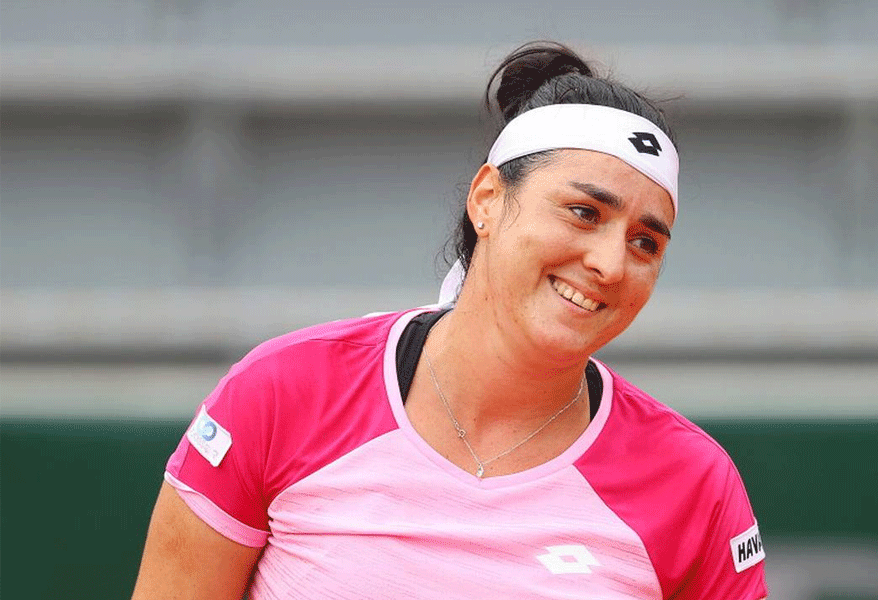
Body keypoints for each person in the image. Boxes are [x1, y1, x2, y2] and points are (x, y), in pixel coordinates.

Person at [132, 42, 768, 599]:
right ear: (487, 199)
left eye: (645, 243)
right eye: (583, 212)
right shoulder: (283, 392)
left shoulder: (695, 484)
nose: (610, 263)